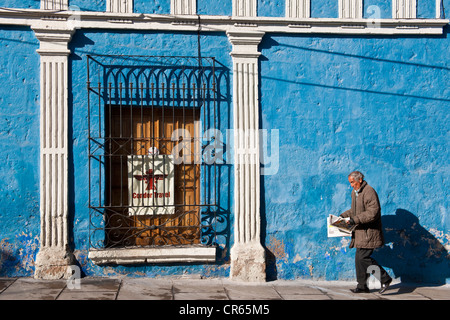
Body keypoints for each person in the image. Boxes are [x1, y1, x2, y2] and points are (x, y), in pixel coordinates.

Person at [340, 171, 392, 294]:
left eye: (352, 182)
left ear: (360, 180)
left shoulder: (369, 191)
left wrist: (354, 220)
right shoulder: (355, 193)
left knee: (363, 258)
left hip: (369, 233)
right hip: (360, 233)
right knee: (359, 259)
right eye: (350, 183)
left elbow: (372, 213)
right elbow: (354, 210)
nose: (351, 185)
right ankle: (362, 286)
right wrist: (342, 216)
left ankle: (385, 278)